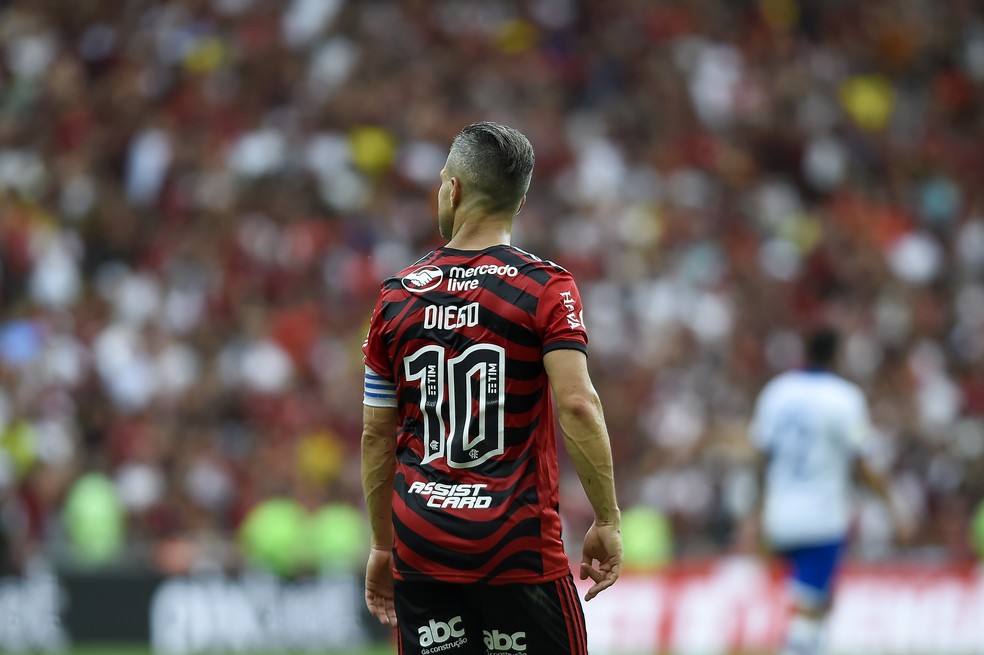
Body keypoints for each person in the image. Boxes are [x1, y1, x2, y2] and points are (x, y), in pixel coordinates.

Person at [361, 122, 621, 655]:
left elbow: (375, 434)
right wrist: (607, 518)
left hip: (423, 547)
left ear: (452, 189)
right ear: (520, 202)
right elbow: (577, 403)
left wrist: (383, 545)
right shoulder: (546, 288)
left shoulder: (396, 296)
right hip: (516, 549)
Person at [747, 327, 911, 655]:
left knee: (818, 600)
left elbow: (761, 456)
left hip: (781, 514)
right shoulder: (844, 397)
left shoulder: (776, 392)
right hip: (821, 516)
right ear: (837, 356)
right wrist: (893, 506)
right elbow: (862, 463)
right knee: (810, 605)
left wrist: (757, 510)